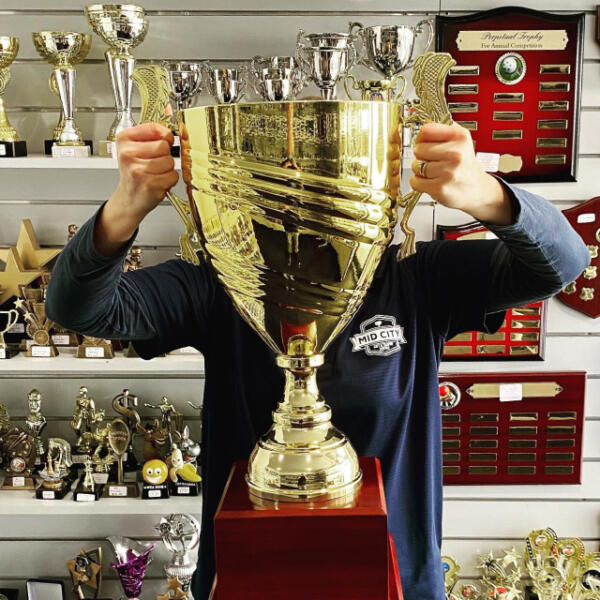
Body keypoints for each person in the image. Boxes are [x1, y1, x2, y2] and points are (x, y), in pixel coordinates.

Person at [46, 120, 589, 600]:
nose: (306, 193)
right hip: (253, 580)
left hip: (396, 582)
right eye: (284, 174)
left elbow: (564, 262)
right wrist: (128, 202)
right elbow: (78, 309)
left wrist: (485, 193)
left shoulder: (419, 279)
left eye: (330, 171)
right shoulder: (219, 283)